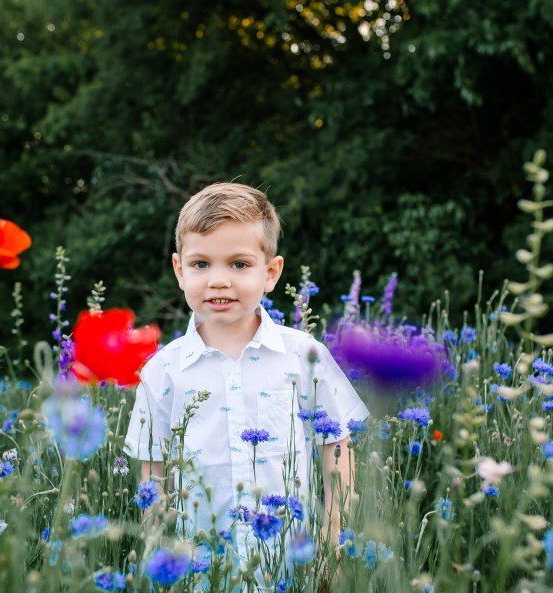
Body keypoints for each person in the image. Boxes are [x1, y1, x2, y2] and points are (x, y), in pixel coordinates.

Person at [123, 182, 369, 567]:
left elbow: (337, 449)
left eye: (239, 264)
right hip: (201, 575)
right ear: (179, 270)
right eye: (201, 264)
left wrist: (333, 537)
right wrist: (157, 556)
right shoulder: (162, 372)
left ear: (271, 272)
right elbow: (153, 474)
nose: (219, 280)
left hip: (293, 566)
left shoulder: (305, 356)